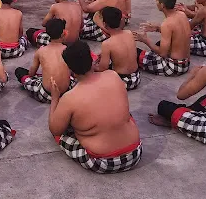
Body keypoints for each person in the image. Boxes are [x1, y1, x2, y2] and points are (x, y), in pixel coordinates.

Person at [49, 41, 142, 173]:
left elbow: (55, 129)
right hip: (135, 152)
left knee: (62, 131)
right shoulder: (113, 76)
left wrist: (55, 98)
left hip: (102, 161)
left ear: (71, 70)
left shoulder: (69, 98)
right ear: (92, 59)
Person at [134, 0, 191, 76]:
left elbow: (162, 53)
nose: (155, 1)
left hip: (173, 67)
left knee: (136, 53)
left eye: (157, 0)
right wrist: (157, 28)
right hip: (185, 63)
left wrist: (145, 40)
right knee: (159, 44)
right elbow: (176, 33)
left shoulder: (167, 23)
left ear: (162, 5)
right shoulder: (182, 14)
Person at [16, 18, 70, 102]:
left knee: (20, 72)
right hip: (66, 92)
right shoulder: (69, 50)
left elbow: (31, 73)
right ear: (64, 33)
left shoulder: (41, 51)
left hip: (45, 94)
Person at [93, 6, 140, 90]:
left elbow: (103, 68)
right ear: (121, 20)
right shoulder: (129, 33)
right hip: (136, 77)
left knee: (91, 75)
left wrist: (93, 66)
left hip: (122, 81)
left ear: (104, 24)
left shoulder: (107, 44)